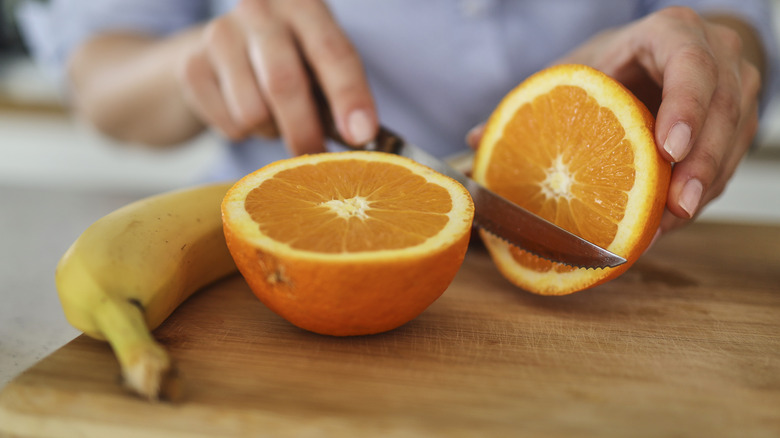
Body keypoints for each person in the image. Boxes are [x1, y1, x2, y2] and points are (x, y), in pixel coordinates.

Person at [17, 0, 779, 238]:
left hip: (578, 226)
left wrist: (709, 51)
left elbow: (735, 24)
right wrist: (199, 62)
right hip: (267, 241)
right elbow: (98, 71)